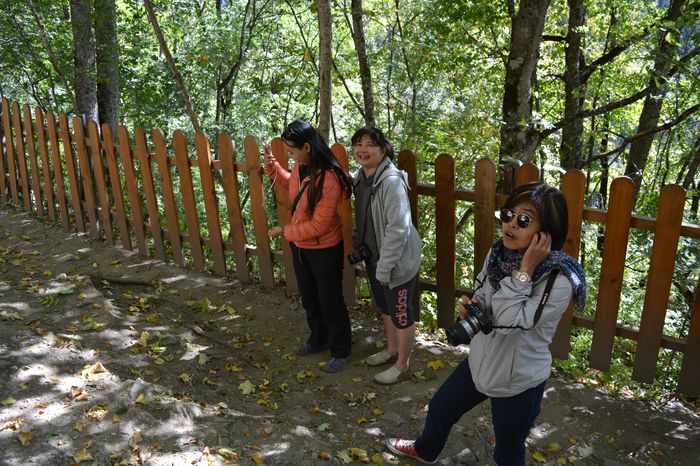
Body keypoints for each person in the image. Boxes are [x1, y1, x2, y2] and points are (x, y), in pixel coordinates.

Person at [385, 182, 586, 465]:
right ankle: (425, 450)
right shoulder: (499, 255)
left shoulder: (558, 280)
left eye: (524, 220)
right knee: (440, 408)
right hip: (480, 361)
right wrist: (473, 306)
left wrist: (526, 270)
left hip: (518, 380)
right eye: (508, 214)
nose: (511, 224)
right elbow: (482, 289)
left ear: (545, 234)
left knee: (507, 450)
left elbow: (510, 321)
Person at [264, 120, 354, 373]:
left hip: (324, 248)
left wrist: (285, 231)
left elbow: (319, 225)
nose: (290, 156)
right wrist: (273, 167)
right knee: (310, 297)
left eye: (292, 151)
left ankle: (341, 350)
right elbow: (293, 186)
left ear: (307, 146)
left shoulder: (329, 177)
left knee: (329, 300)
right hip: (301, 246)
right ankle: (318, 339)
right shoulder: (300, 166)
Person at [350, 126, 422, 385]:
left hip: (396, 263)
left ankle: (403, 365)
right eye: (358, 144)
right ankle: (391, 350)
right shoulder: (362, 177)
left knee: (401, 314)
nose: (363, 150)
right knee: (385, 308)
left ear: (383, 150)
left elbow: (398, 228)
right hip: (375, 258)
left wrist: (385, 267)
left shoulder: (391, 182)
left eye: (370, 145)